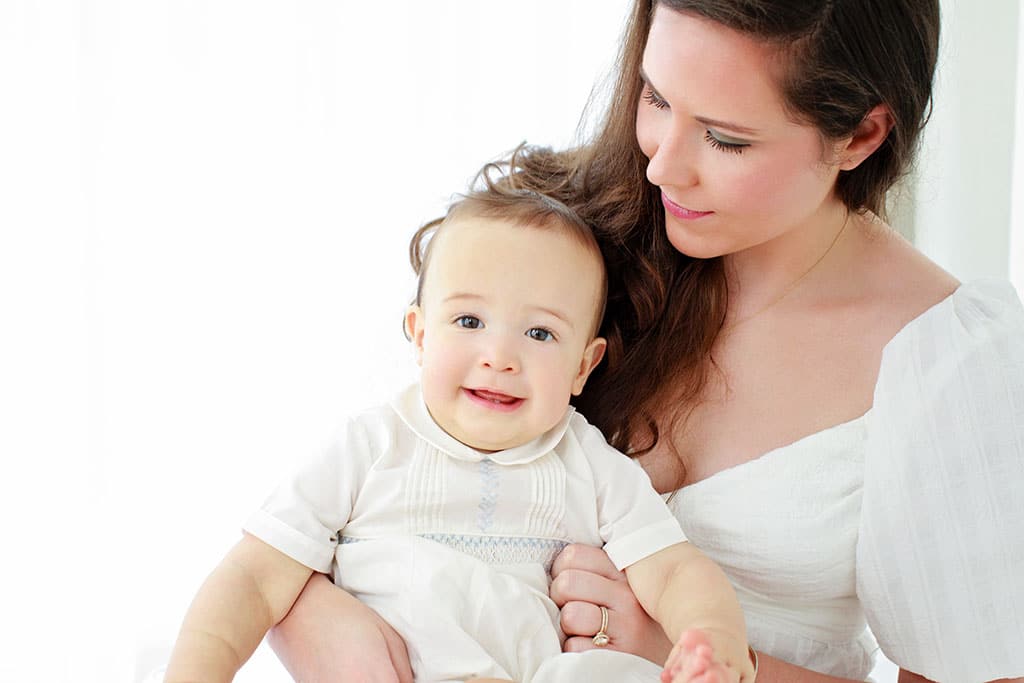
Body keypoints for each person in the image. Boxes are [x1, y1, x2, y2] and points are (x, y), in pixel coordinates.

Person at [267, 0, 1024, 681]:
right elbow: (350, 480)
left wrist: (699, 656)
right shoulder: (568, 238)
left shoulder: (949, 364)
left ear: (861, 133)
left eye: (725, 140)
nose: (663, 161)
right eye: (656, 97)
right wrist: (309, 614)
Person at [164, 173, 758, 683]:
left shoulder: (590, 464)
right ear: (421, 335)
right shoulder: (369, 447)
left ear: (584, 366)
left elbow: (674, 569)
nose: (499, 355)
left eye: (540, 333)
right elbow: (252, 577)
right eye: (470, 320)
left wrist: (713, 640)